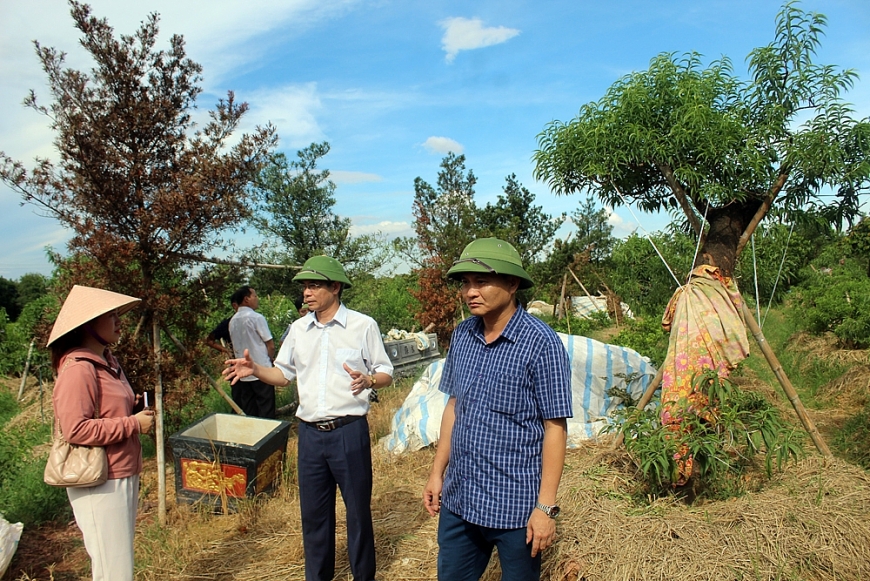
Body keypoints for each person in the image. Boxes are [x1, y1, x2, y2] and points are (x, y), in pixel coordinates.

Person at [223, 256, 393, 581]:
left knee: (357, 514)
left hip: (349, 432)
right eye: (304, 286)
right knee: (314, 516)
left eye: (314, 285)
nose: (307, 292)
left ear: (336, 287)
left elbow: (385, 371)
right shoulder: (299, 330)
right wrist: (256, 369)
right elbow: (283, 375)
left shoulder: (362, 325)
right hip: (311, 437)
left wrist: (369, 380)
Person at [422, 238, 573, 581]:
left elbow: (555, 428)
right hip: (460, 500)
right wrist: (437, 473)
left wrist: (545, 508)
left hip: (515, 508)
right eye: (465, 283)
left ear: (512, 283)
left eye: (482, 281)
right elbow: (453, 406)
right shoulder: (463, 335)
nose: (470, 292)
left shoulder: (541, 344)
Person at [47, 285, 155, 581]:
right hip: (99, 479)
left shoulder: (108, 362)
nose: (119, 321)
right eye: (110, 316)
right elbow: (75, 429)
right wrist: (133, 424)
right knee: (113, 569)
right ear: (88, 325)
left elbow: (103, 410)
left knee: (119, 563)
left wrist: (130, 406)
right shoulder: (78, 369)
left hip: (121, 471)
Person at [228, 285, 276, 418]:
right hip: (261, 369)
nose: (257, 299)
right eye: (254, 296)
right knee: (266, 407)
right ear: (246, 299)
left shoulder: (233, 321)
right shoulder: (256, 318)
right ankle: (269, 436)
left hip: (243, 371)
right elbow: (270, 344)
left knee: (250, 408)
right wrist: (270, 359)